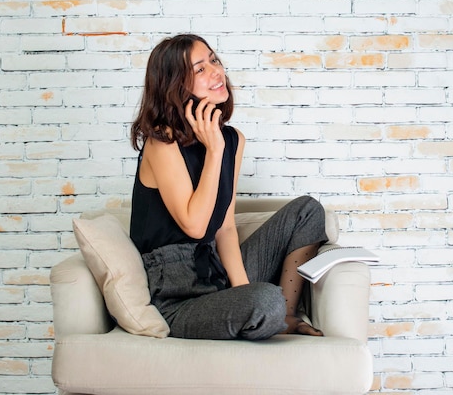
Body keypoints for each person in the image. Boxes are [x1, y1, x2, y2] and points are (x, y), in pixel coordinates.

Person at [129, 34, 328, 340]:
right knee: (265, 300)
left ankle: (283, 315)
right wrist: (214, 150)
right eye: (200, 69)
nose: (216, 71)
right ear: (174, 85)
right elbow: (195, 226)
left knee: (308, 211)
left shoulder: (232, 140)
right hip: (177, 299)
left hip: (216, 273)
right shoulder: (162, 143)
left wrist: (241, 293)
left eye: (214, 60)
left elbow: (224, 229)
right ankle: (269, 311)